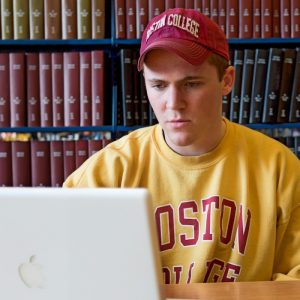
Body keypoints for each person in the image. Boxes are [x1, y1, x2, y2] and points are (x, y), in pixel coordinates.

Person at [64, 8, 300, 283]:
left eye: (191, 83)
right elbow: (59, 267)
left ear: (227, 81)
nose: (173, 103)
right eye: (159, 85)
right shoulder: (109, 171)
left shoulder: (279, 169)